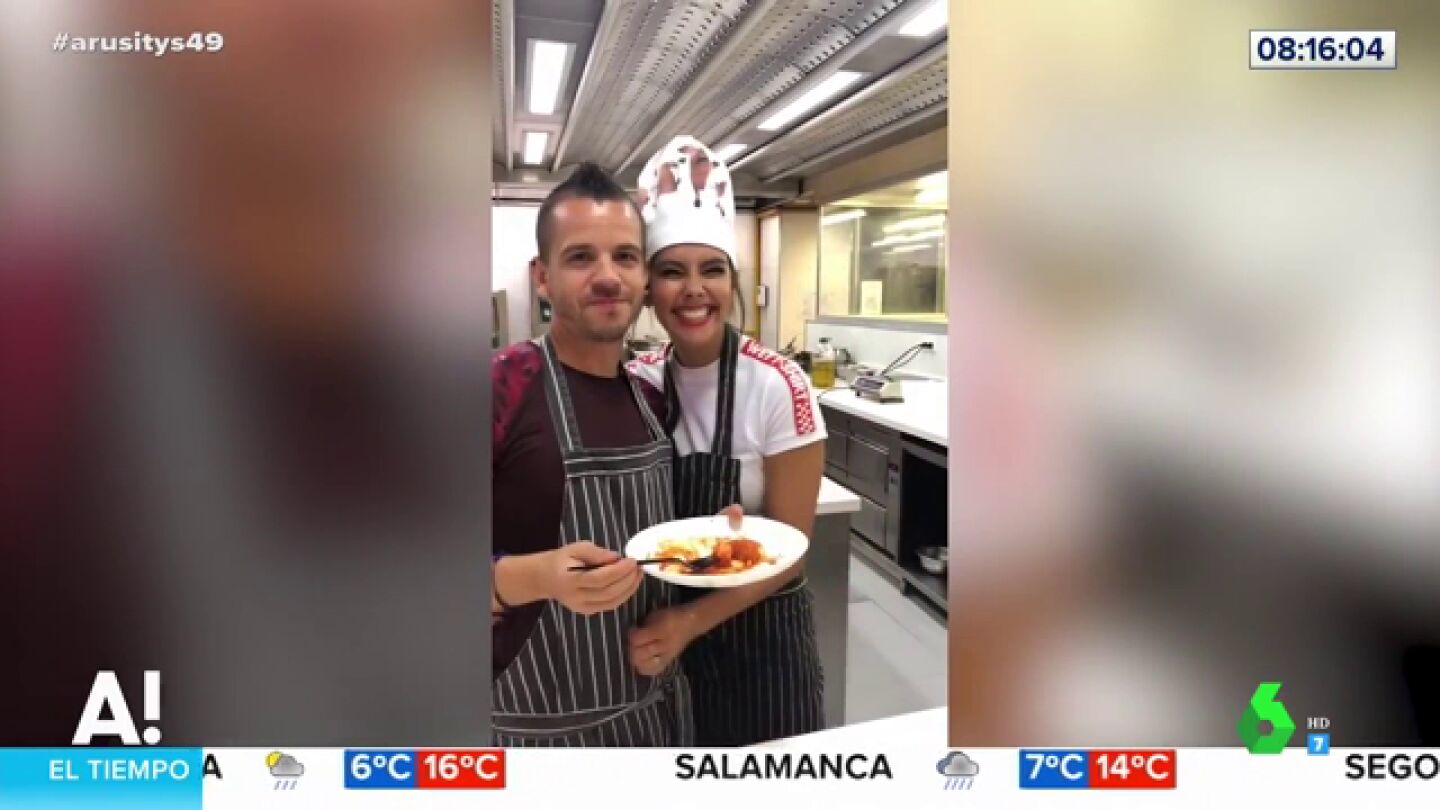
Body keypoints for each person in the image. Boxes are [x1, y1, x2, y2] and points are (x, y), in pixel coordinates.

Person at [491, 162, 720, 747]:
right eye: (580, 257)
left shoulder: (651, 397)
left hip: (652, 717)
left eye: (625, 257)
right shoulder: (499, 388)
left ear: (643, 276)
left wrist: (716, 537)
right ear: (542, 277)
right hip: (534, 735)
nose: (607, 277)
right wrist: (530, 577)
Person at [626, 137, 828, 745]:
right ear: (648, 288)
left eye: (711, 270)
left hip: (762, 643)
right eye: (672, 271)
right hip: (666, 638)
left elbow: (792, 548)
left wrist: (692, 620)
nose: (694, 289)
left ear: (733, 282)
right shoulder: (637, 380)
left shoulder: (779, 383)